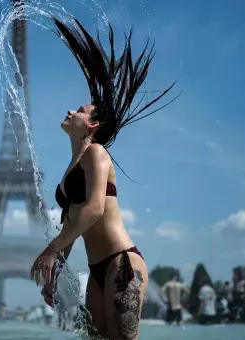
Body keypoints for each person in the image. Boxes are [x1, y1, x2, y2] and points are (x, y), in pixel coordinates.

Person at [29, 15, 174, 340]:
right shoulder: (70, 169)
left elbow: (94, 208)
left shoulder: (96, 153)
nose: (70, 111)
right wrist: (57, 267)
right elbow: (73, 222)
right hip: (96, 271)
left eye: (79, 110)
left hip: (121, 262)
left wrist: (51, 250)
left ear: (92, 125)